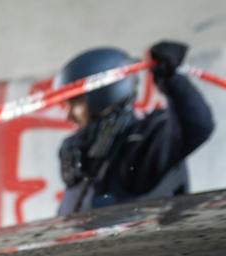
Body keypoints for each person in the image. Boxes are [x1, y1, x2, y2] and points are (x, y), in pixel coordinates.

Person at [55, 40, 215, 216]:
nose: (69, 115)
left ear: (102, 95)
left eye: (75, 104)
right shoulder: (83, 151)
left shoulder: (143, 144)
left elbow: (196, 126)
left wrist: (172, 80)